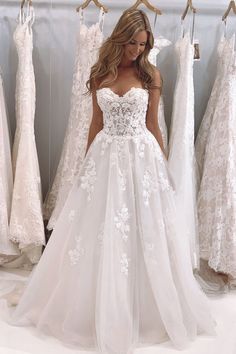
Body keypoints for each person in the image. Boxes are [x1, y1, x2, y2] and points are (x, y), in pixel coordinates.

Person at [10, 9, 215, 354]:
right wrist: (87, 163)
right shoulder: (101, 73)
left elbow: (153, 124)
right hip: (106, 155)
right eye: (132, 43)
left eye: (142, 44)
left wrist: (163, 167)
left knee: (142, 229)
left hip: (141, 156)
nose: (136, 50)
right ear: (120, 38)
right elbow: (94, 123)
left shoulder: (150, 75)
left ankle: (145, 308)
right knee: (100, 229)